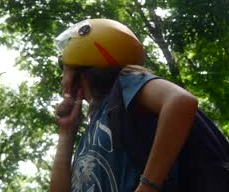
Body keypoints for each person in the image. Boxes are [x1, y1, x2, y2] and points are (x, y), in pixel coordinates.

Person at [49, 18, 198, 192]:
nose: (60, 77)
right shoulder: (94, 126)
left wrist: (147, 187)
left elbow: (180, 101)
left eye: (63, 65)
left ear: (80, 60)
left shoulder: (127, 83)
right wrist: (66, 132)